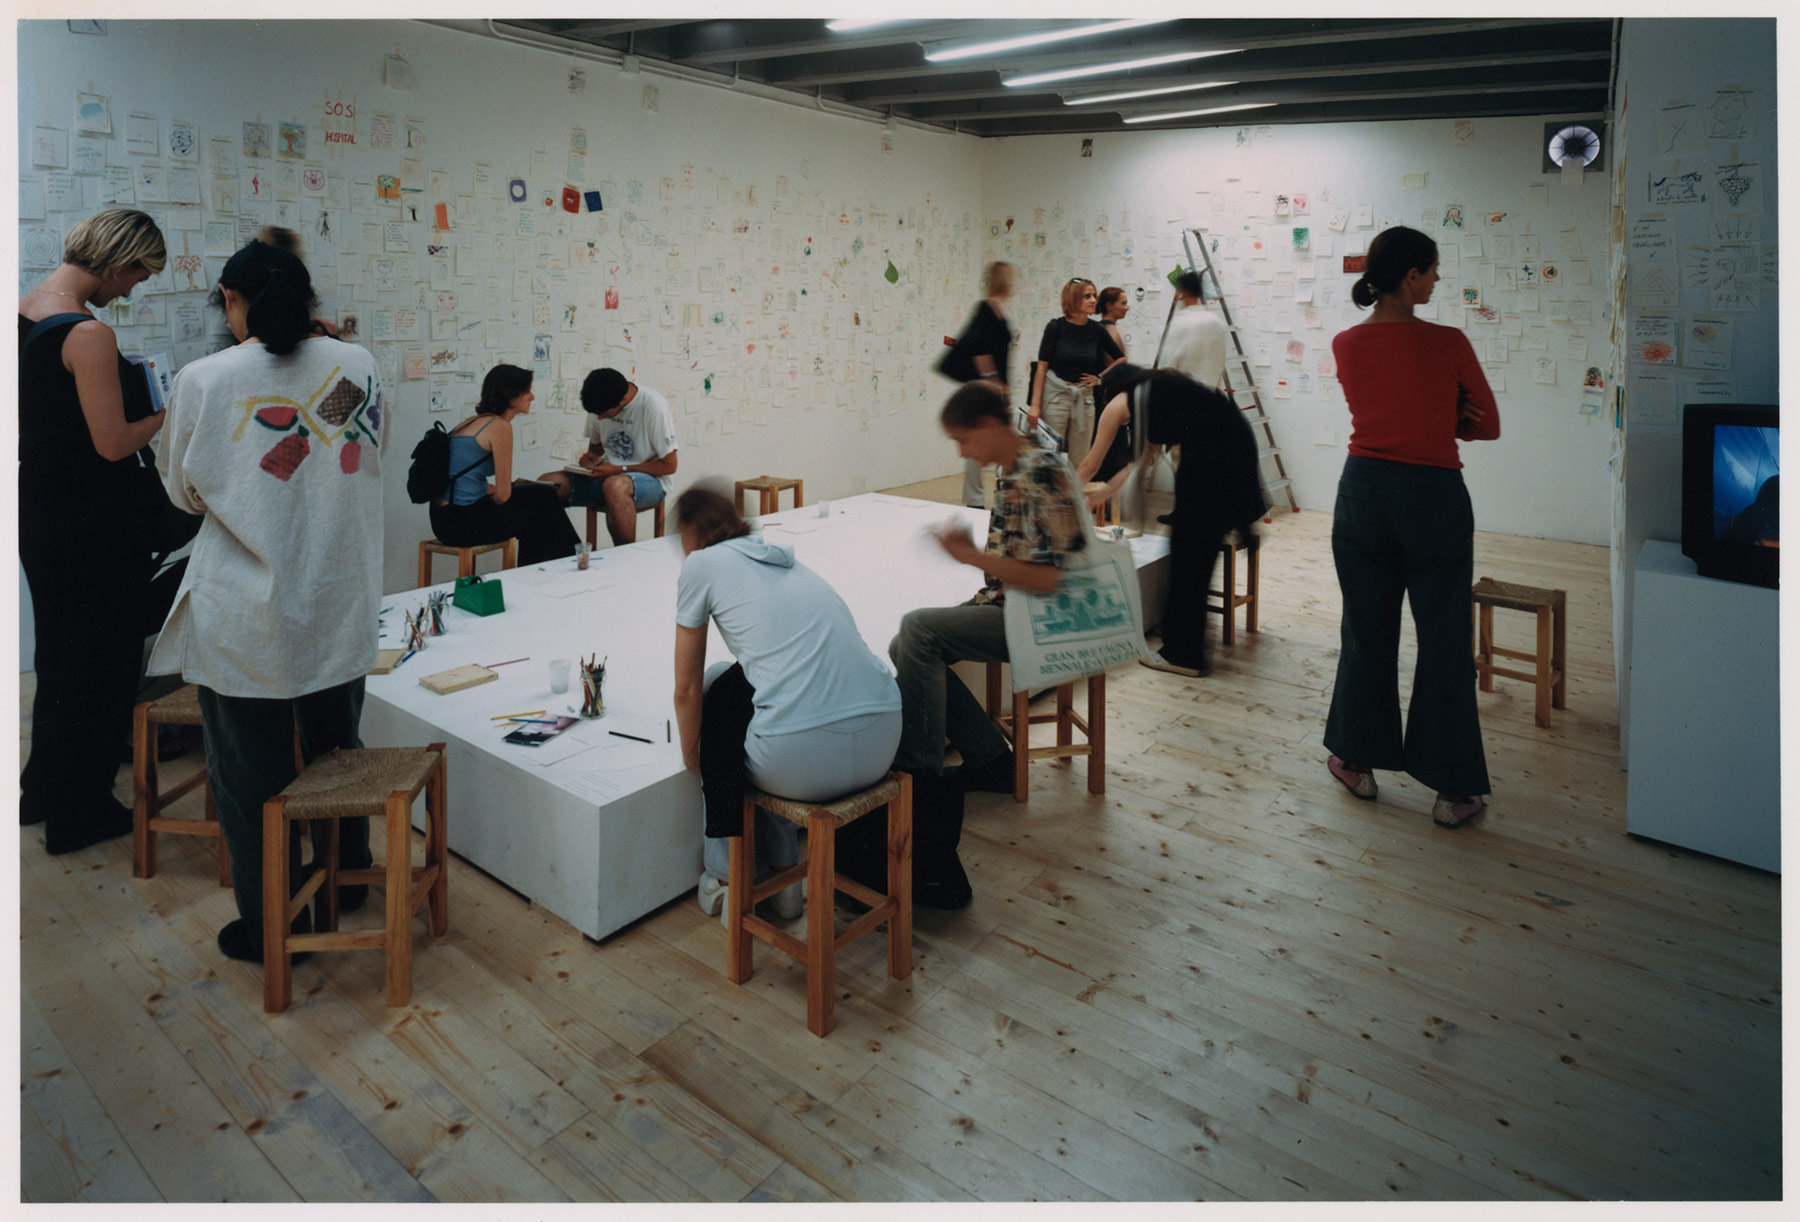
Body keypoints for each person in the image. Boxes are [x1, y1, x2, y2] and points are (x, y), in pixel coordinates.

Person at [150, 238, 388, 961]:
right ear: (308, 295)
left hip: (245, 607)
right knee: (338, 747)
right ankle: (345, 877)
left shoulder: (203, 378)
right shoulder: (359, 363)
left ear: (230, 298)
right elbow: (347, 447)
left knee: (251, 776)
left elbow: (182, 491)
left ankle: (271, 924)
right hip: (338, 592)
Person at [1323, 225, 1500, 830]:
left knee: (1366, 631)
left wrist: (1431, 410)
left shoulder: (1345, 342)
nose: (1438, 279)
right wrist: (1449, 413)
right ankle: (1454, 790)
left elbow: (1378, 408)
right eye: (1433, 270)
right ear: (1411, 276)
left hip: (1363, 491)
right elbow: (1488, 424)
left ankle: (1354, 759)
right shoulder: (1448, 341)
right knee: (1445, 637)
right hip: (1432, 497)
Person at [672, 485, 902, 921]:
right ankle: (785, 879)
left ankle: (724, 880)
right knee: (760, 696)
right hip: (882, 740)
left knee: (719, 697)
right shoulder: (785, 559)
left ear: (691, 533)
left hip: (802, 763)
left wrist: (692, 753)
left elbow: (685, 691)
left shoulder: (701, 564)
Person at [18, 209, 169, 853]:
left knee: (58, 658)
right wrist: (169, 411)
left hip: (40, 511)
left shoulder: (24, 310)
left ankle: (43, 791)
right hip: (92, 522)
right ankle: (80, 813)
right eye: (137, 272)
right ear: (115, 259)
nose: (133, 289)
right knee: (104, 665)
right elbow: (113, 444)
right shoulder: (87, 334)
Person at [890, 381, 1085, 791]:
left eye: (964, 440)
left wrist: (972, 556)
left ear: (987, 424)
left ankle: (920, 781)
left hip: (1045, 617)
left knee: (917, 630)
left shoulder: (1040, 471)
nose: (962, 452)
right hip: (1011, 604)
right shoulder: (1017, 469)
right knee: (903, 643)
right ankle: (992, 760)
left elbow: (1053, 578)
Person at [1080, 354, 1265, 678]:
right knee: (1193, 552)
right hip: (1233, 451)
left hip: (1213, 461)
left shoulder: (1119, 402)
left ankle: (1184, 654)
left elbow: (1091, 464)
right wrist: (1101, 495)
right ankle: (1182, 643)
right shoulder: (1156, 391)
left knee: (1189, 554)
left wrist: (1068, 496)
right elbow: (1139, 464)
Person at [432, 364, 580, 566]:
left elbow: (466, 482)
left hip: (442, 520)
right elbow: (503, 496)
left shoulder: (470, 423)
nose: (532, 397)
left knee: (537, 504)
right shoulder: (499, 427)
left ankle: (557, 567)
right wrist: (515, 489)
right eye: (527, 391)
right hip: (461, 524)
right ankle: (576, 561)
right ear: (510, 395)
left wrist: (516, 489)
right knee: (543, 499)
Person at [538, 368, 678, 545]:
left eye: (603, 414)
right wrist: (590, 459)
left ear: (623, 400)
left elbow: (669, 466)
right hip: (607, 477)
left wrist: (619, 469)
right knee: (547, 485)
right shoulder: (599, 403)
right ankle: (561, 554)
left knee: (615, 485)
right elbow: (596, 450)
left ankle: (624, 559)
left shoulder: (654, 406)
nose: (599, 418)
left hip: (652, 481)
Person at [1029, 277, 1123, 469]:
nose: (1093, 300)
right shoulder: (1056, 327)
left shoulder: (1097, 329)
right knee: (1051, 455)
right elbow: (1041, 367)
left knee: (1080, 458)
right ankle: (1051, 498)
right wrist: (1035, 405)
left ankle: (1074, 498)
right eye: (1087, 296)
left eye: (1094, 295)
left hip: (1084, 398)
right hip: (1056, 396)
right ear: (1073, 298)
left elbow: (1121, 359)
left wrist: (1099, 378)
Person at [942, 261, 1015, 508]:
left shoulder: (998, 310)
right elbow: (979, 349)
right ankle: (973, 501)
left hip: (995, 386)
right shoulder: (986, 309)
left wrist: (1004, 386)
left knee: (1001, 442)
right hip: (985, 389)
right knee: (977, 444)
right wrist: (992, 383)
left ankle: (1006, 498)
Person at [1096, 285, 1130, 361]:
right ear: (1109, 306)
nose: (1127, 308)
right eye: (1123, 303)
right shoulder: (1109, 329)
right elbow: (1114, 363)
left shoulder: (1103, 327)